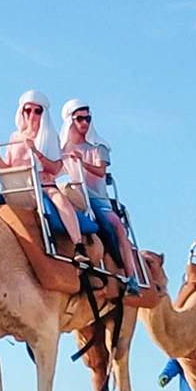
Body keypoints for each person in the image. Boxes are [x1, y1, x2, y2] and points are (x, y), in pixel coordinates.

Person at [0, 90, 90, 258]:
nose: (32, 115)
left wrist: (35, 151)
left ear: (43, 113)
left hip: (44, 185)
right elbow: (7, 168)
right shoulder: (14, 137)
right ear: (22, 112)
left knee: (61, 202)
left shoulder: (49, 135)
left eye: (37, 111)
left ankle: (78, 246)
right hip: (16, 188)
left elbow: (55, 168)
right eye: (27, 110)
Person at [59, 99, 139, 278]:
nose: (85, 123)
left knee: (116, 226)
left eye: (88, 118)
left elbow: (101, 172)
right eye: (80, 119)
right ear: (71, 120)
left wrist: (82, 162)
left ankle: (131, 276)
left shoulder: (98, 147)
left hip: (96, 198)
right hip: (71, 192)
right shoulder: (61, 148)